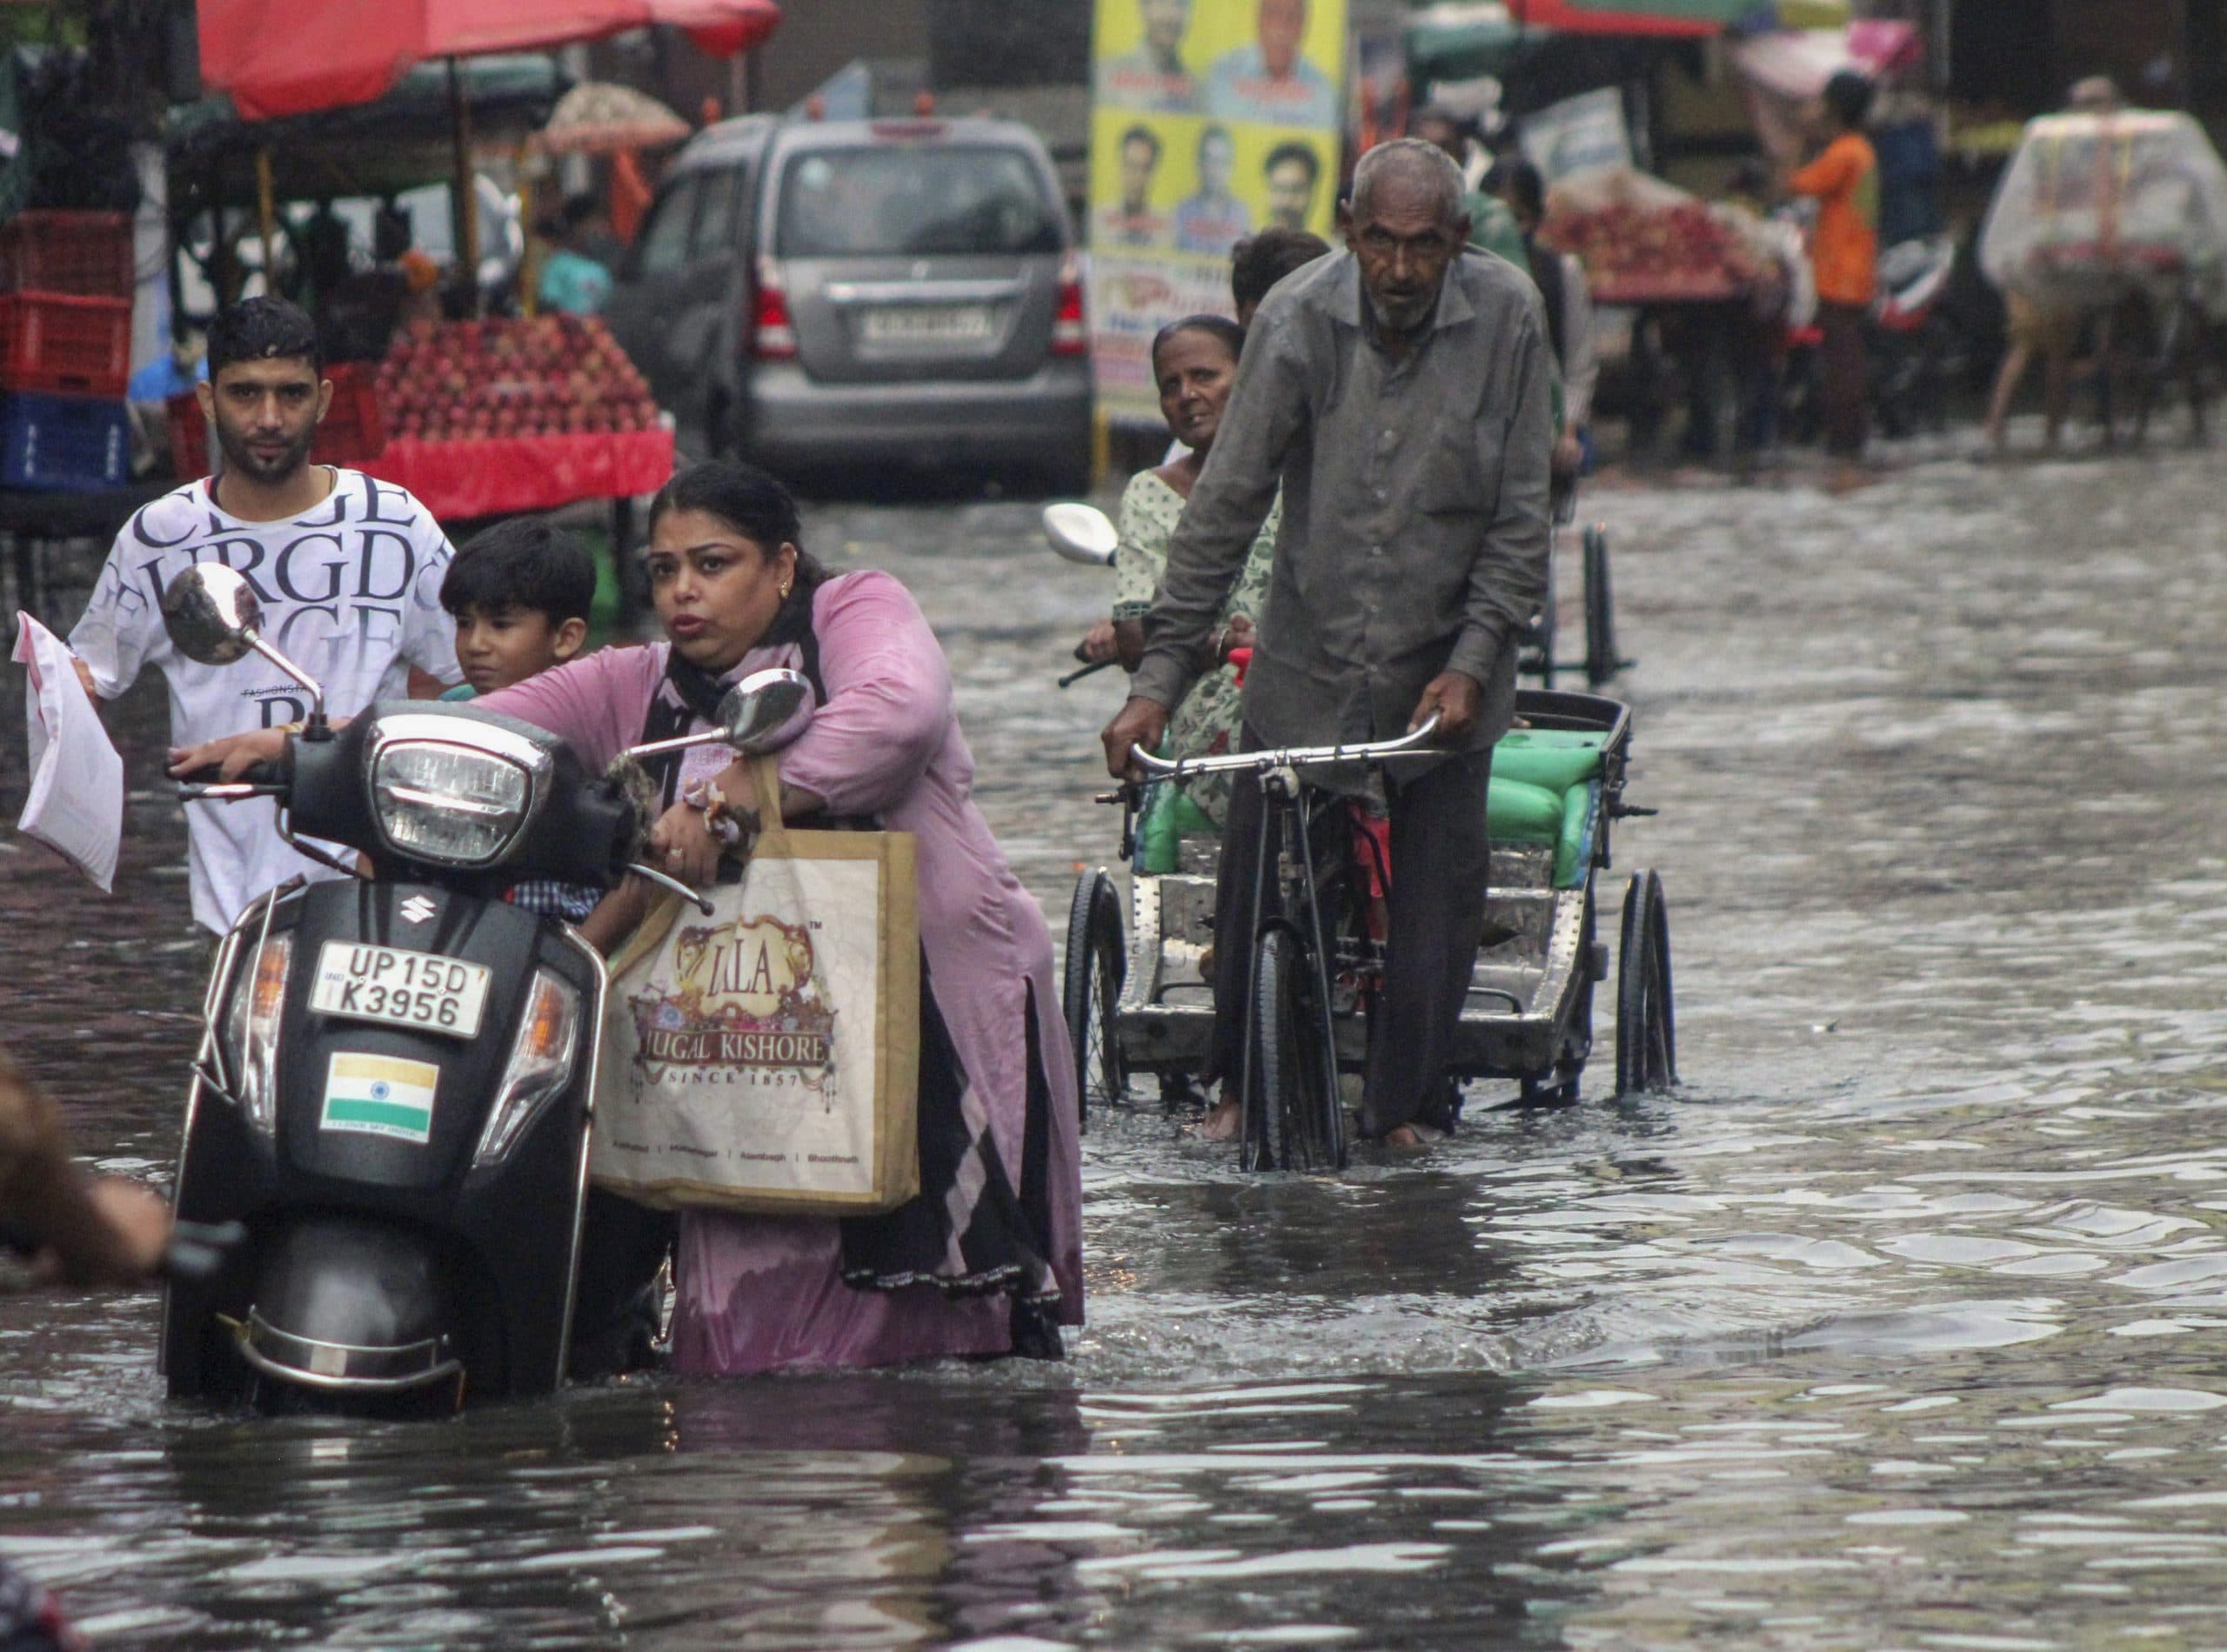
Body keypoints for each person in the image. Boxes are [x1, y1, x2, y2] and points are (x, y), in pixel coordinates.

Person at [442, 462, 1080, 1374]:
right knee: (741, 1333)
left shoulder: (852, 611)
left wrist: (747, 786)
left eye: (712, 563)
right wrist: (309, 747)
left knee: (964, 1340)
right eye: (663, 571)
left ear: (781, 567)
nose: (682, 592)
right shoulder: (636, 683)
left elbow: (899, 714)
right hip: (745, 1033)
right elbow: (480, 725)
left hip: (935, 994)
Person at [1101, 139, 1552, 1148]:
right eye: (1380, 243)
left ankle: (1407, 1105)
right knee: (1259, 867)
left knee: (1439, 889)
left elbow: (1522, 517)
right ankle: (1233, 1081)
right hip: (1309, 653)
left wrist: (1473, 660)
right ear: (1351, 231)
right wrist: (1156, 686)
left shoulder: (1510, 314)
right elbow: (1226, 503)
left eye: (1423, 248)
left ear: (1457, 243)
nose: (1398, 270)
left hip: (1446, 654)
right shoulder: (1299, 318)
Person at [68, 297, 462, 936]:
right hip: (231, 907)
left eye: (291, 394)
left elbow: (467, 682)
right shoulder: (160, 536)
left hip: (376, 889)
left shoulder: (395, 524)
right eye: (246, 394)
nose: (269, 418)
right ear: (205, 400)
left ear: (326, 398)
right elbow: (88, 679)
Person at [1982, 77, 2122, 454]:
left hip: (2073, 257)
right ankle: (1995, 430)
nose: (2092, 111)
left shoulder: (2114, 146)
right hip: (2034, 256)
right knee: (2024, 343)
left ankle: (2052, 433)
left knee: (2060, 347)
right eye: (2086, 103)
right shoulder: (2050, 143)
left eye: (2098, 103)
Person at [1786, 70, 1880, 489]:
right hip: (1855, 271)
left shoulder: (1843, 152)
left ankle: (1846, 446)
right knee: (1847, 361)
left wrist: (1797, 140)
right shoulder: (1860, 150)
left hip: (1841, 274)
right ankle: (1851, 442)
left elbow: (1798, 184)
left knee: (1841, 367)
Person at [1487, 157, 1595, 485]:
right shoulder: (1459, 277)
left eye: (1516, 219)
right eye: (1496, 219)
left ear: (1536, 218)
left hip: (1549, 429)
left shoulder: (1562, 273)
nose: (1505, 233)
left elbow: (1579, 363)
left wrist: (1568, 429)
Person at [1414, 104, 1533, 273]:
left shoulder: (1489, 219)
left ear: (1461, 157)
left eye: (1444, 148)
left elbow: (1514, 294)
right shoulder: (1387, 219)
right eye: (1423, 149)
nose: (1434, 158)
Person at [1207, 0, 1337, 131]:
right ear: (1259, 19)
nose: (1280, 26)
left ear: (1303, 26)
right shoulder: (1222, 75)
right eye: (1272, 13)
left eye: (1291, 17)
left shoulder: (1323, 93)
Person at [1098, 0, 1200, 115]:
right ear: (1144, 8)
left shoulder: (1197, 90)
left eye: (1180, 4)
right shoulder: (1108, 74)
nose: (1171, 15)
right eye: (1163, 4)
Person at [1174, 126, 1253, 256]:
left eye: (1222, 161)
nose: (1215, 169)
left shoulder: (1242, 215)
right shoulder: (1182, 213)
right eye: (1209, 159)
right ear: (1199, 163)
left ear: (1231, 166)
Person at [1101, 124, 1167, 248]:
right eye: (1131, 166)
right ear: (1120, 166)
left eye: (1144, 168)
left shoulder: (1165, 230)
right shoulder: (1100, 221)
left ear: (1153, 174)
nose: (1136, 177)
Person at [1263, 141, 1322, 233]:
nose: (1287, 201)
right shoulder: (1250, 244)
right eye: (1280, 189)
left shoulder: (1326, 246)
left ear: (1313, 194)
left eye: (1297, 190)